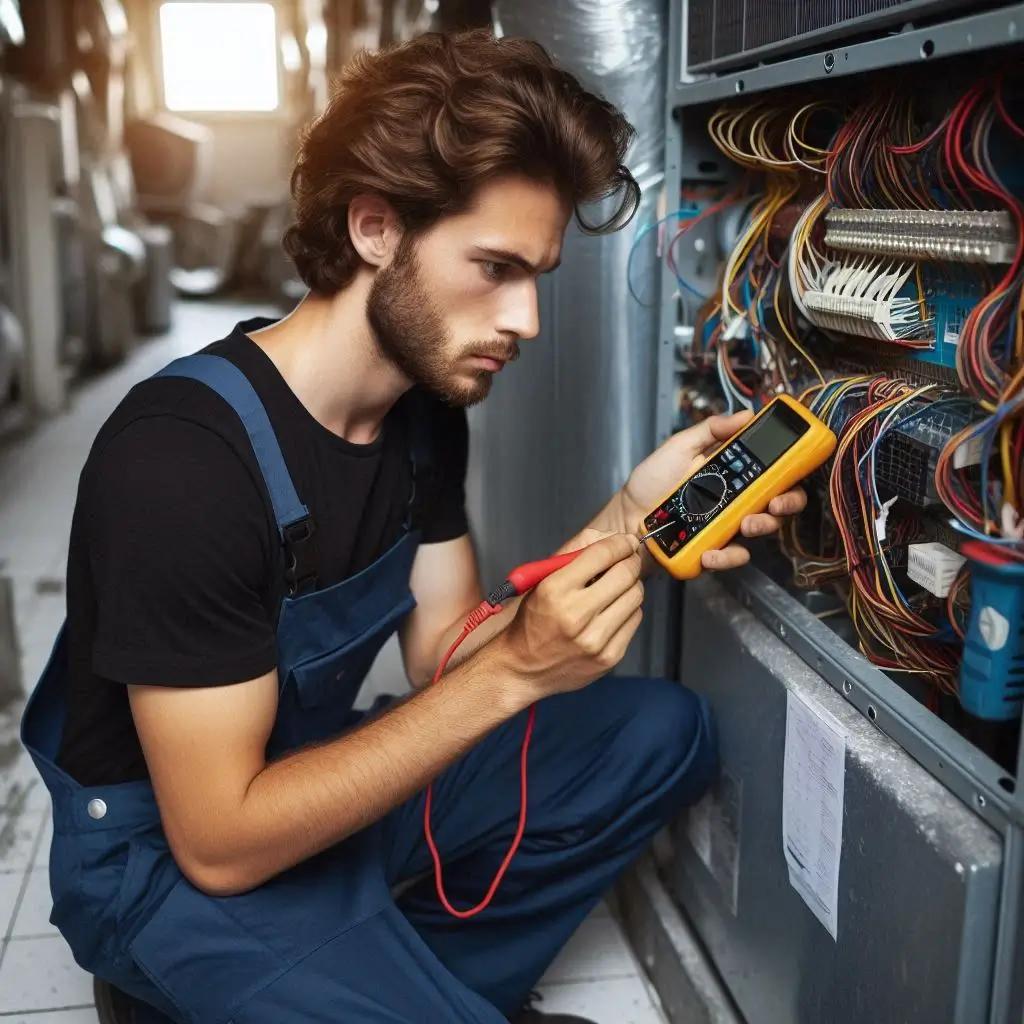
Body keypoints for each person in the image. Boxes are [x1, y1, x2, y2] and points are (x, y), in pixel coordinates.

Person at [21, 28, 806, 1024]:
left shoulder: (422, 417)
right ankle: (193, 983)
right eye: (494, 267)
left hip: (306, 789)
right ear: (374, 228)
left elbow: (446, 653)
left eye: (538, 276)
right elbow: (219, 841)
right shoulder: (181, 461)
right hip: (172, 857)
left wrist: (629, 514)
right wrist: (517, 667)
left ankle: (398, 981)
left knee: (659, 733)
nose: (524, 318)